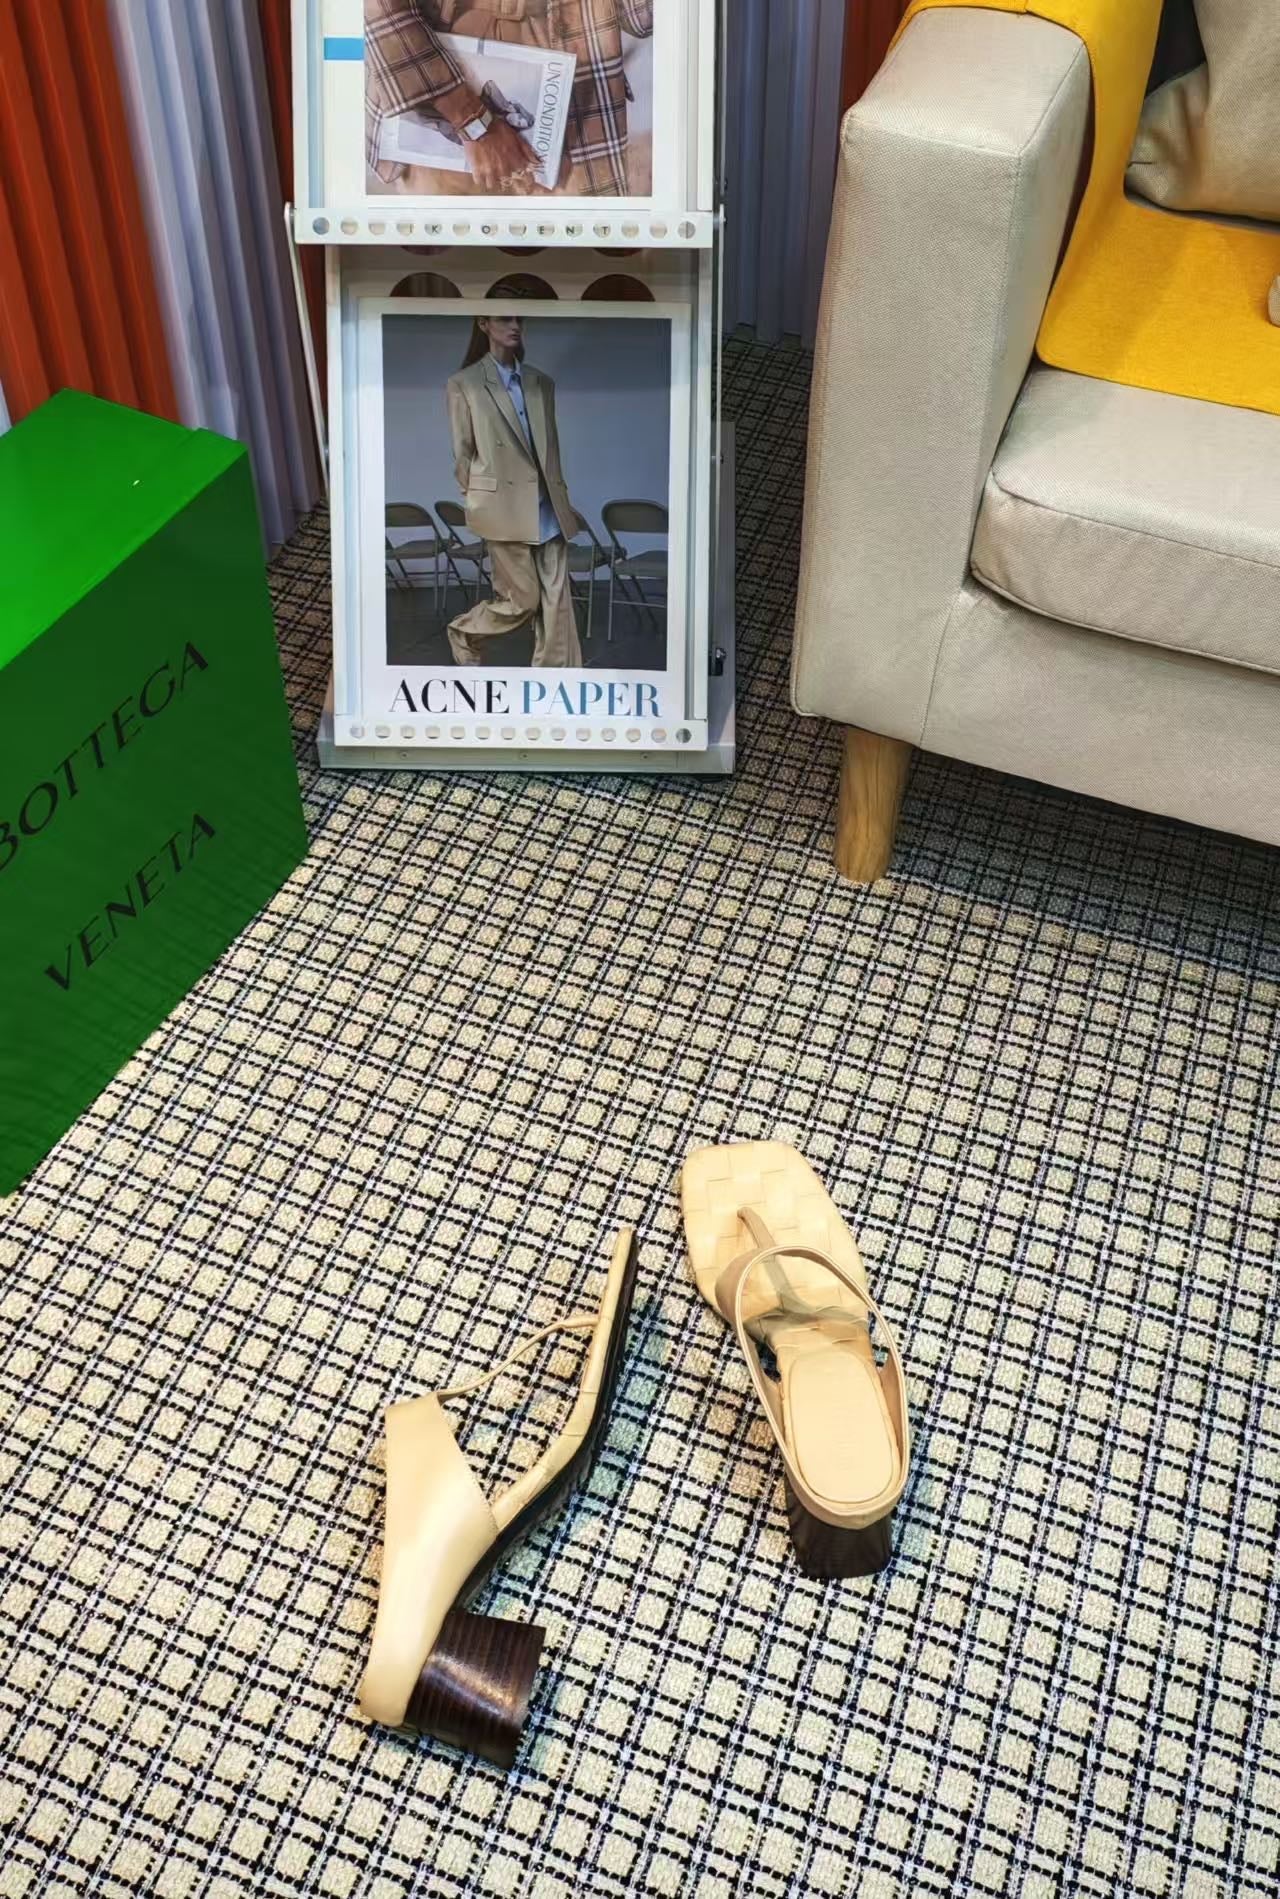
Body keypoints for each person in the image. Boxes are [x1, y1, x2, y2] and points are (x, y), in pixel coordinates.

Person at [365, 0, 655, 198]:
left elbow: (639, 15)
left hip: (567, 79)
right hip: (440, 79)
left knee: (565, 256)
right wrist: (472, 122)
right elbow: (381, 8)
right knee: (450, 254)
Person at [444, 313, 582, 668]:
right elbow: (463, 453)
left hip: (548, 505)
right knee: (522, 601)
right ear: (483, 324)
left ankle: (554, 682)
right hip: (503, 508)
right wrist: (478, 500)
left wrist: (560, 497)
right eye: (505, 319)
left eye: (519, 319)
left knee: (557, 604)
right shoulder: (464, 383)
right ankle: (464, 632)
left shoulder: (541, 383)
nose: (515, 326)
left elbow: (550, 449)